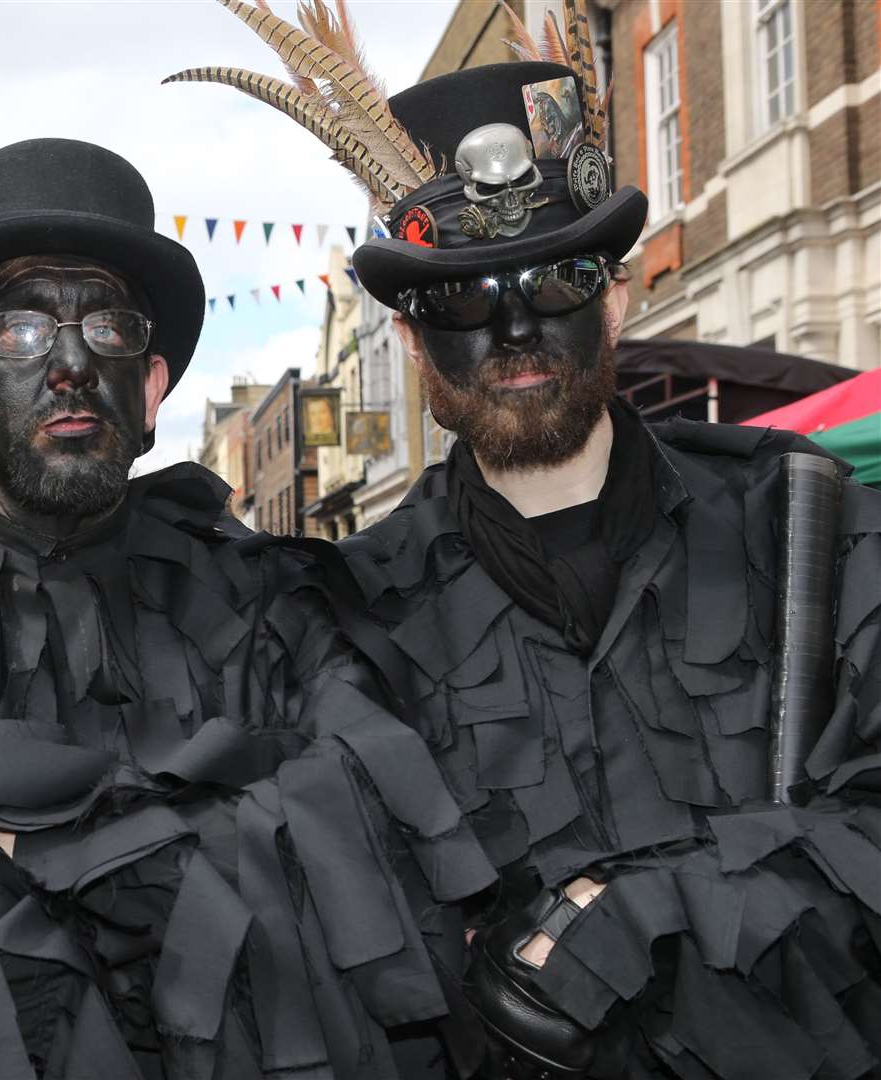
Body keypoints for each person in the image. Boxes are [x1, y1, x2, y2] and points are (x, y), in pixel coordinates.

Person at [181, 4, 881, 1077]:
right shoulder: (343, 620)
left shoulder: (807, 529)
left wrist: (661, 903)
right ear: (414, 346)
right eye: (461, 302)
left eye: (552, 282)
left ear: (610, 302)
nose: (513, 334)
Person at [0, 138, 495, 1077]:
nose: (69, 365)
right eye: (20, 331)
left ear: (148, 388)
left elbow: (378, 882)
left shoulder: (282, 606)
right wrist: (217, 844)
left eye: (107, 329)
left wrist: (29, 845)